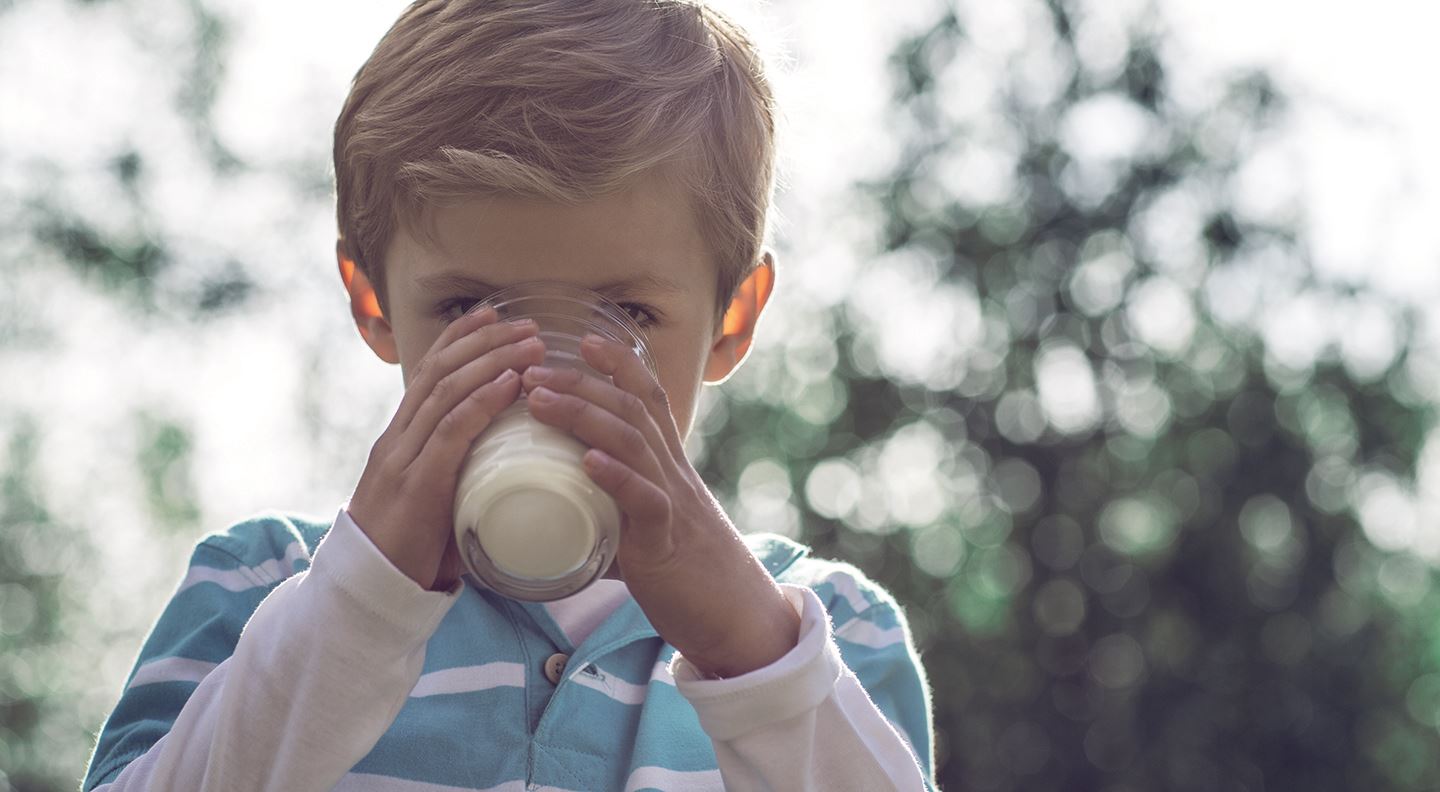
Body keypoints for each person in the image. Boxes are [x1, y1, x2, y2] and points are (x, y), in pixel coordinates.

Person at [81, 0, 935, 789]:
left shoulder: (830, 638)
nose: (544, 377)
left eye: (626, 312)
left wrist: (751, 653)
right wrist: (357, 605)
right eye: (468, 310)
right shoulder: (259, 589)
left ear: (730, 321)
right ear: (375, 303)